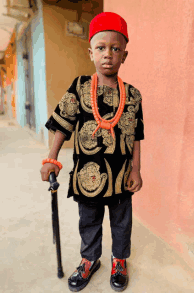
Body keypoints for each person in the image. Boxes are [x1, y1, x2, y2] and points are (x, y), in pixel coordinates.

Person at [40, 12, 144, 292]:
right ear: (90, 53)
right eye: (101, 48)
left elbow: (136, 135)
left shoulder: (133, 96)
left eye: (115, 48)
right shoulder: (80, 87)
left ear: (125, 54)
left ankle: (119, 260)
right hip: (88, 177)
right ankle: (89, 260)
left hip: (121, 176)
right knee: (89, 222)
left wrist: (136, 169)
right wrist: (52, 158)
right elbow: (62, 124)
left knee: (122, 224)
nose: (108, 55)